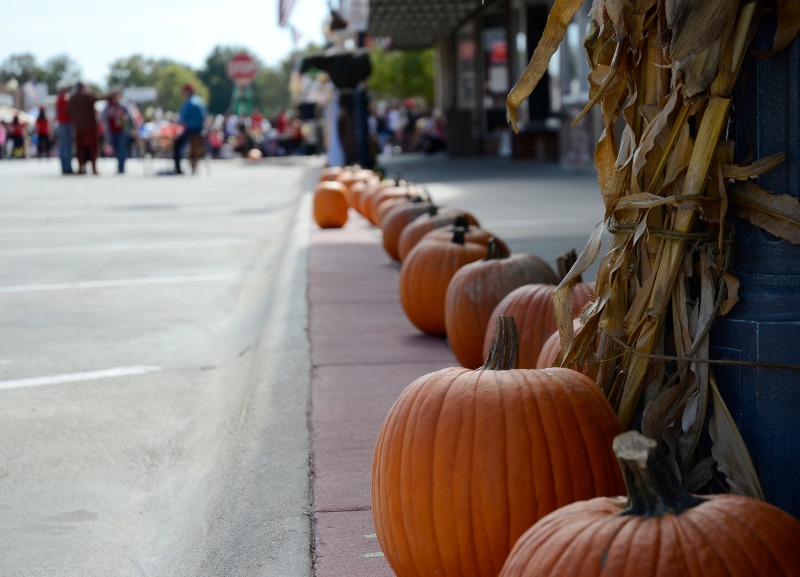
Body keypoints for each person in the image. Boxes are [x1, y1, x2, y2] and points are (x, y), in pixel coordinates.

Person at [67, 82, 109, 174]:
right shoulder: (88, 96)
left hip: (79, 127)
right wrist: (112, 94)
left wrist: (76, 119)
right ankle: (94, 168)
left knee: (79, 148)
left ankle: (80, 168)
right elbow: (100, 98)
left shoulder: (72, 98)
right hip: (90, 126)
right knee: (93, 148)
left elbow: (68, 111)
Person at [173, 83, 206, 174]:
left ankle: (178, 169)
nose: (183, 94)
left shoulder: (189, 103)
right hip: (200, 131)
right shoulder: (200, 101)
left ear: (188, 92)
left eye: (183, 92)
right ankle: (193, 165)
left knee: (177, 144)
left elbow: (182, 119)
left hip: (191, 130)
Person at [102, 92, 135, 174]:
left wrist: (123, 118)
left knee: (122, 149)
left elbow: (130, 118)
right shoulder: (108, 107)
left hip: (122, 131)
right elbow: (102, 117)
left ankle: (121, 167)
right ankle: (119, 166)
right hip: (112, 132)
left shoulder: (123, 106)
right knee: (116, 149)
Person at [55, 85, 74, 174]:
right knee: (67, 147)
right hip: (66, 124)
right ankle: (67, 168)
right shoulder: (64, 100)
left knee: (63, 147)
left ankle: (64, 167)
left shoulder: (58, 99)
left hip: (61, 124)